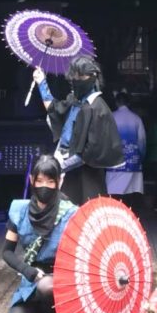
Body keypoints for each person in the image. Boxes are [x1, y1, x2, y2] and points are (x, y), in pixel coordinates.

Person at [1, 155, 78, 313]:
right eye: (40, 180)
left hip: (62, 286)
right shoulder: (19, 210)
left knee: (47, 286)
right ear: (31, 180)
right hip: (31, 282)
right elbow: (6, 252)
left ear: (60, 181)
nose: (44, 186)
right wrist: (27, 270)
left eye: (50, 181)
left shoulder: (71, 214)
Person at [33, 56, 123, 205]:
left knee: (87, 212)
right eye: (74, 76)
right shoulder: (73, 101)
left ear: (92, 76)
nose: (76, 80)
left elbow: (90, 151)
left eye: (80, 76)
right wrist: (41, 82)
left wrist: (60, 166)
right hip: (65, 166)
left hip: (87, 174)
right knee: (63, 211)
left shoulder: (98, 108)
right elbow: (54, 109)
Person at [106, 91, 146, 210]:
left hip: (115, 159)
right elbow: (142, 141)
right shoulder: (136, 118)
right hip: (133, 160)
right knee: (131, 190)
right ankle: (128, 211)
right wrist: (141, 157)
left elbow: (105, 139)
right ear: (128, 103)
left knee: (113, 190)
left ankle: (115, 211)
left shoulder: (111, 117)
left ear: (116, 103)